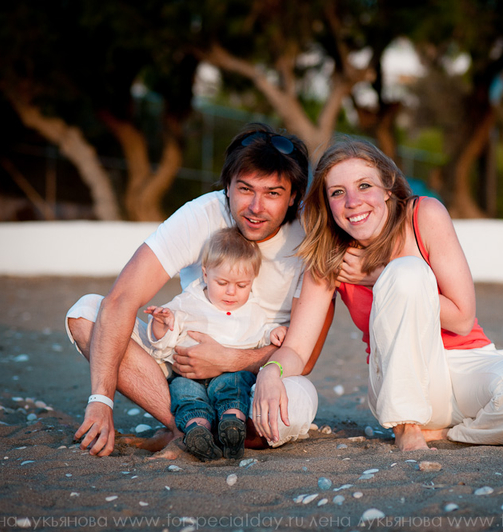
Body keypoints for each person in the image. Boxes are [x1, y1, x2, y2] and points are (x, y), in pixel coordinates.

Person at [252, 138, 503, 451]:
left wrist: (378, 276)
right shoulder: (331, 254)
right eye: (337, 192)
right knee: (407, 271)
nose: (353, 201)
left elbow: (463, 319)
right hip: (401, 380)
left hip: (469, 360)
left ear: (388, 187)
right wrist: (270, 373)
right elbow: (298, 349)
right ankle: (407, 426)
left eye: (364, 185)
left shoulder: (423, 215)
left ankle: (448, 434)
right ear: (327, 202)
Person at [66, 123, 331, 457]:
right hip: (184, 363)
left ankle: (210, 427)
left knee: (287, 409)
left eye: (273, 193)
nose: (256, 206)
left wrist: (228, 359)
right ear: (228, 186)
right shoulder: (201, 215)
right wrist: (101, 401)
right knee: (87, 314)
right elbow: (122, 299)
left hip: (265, 370)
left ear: (293, 196)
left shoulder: (311, 236)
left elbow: (307, 356)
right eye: (245, 189)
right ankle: (186, 428)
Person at [146, 227, 288, 461]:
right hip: (189, 375)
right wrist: (161, 326)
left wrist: (274, 332)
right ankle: (197, 430)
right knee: (185, 395)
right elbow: (165, 343)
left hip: (230, 373)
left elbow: (261, 333)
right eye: (222, 283)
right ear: (205, 274)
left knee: (235, 386)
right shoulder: (187, 302)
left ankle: (232, 424)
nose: (231, 292)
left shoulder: (252, 309)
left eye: (241, 286)